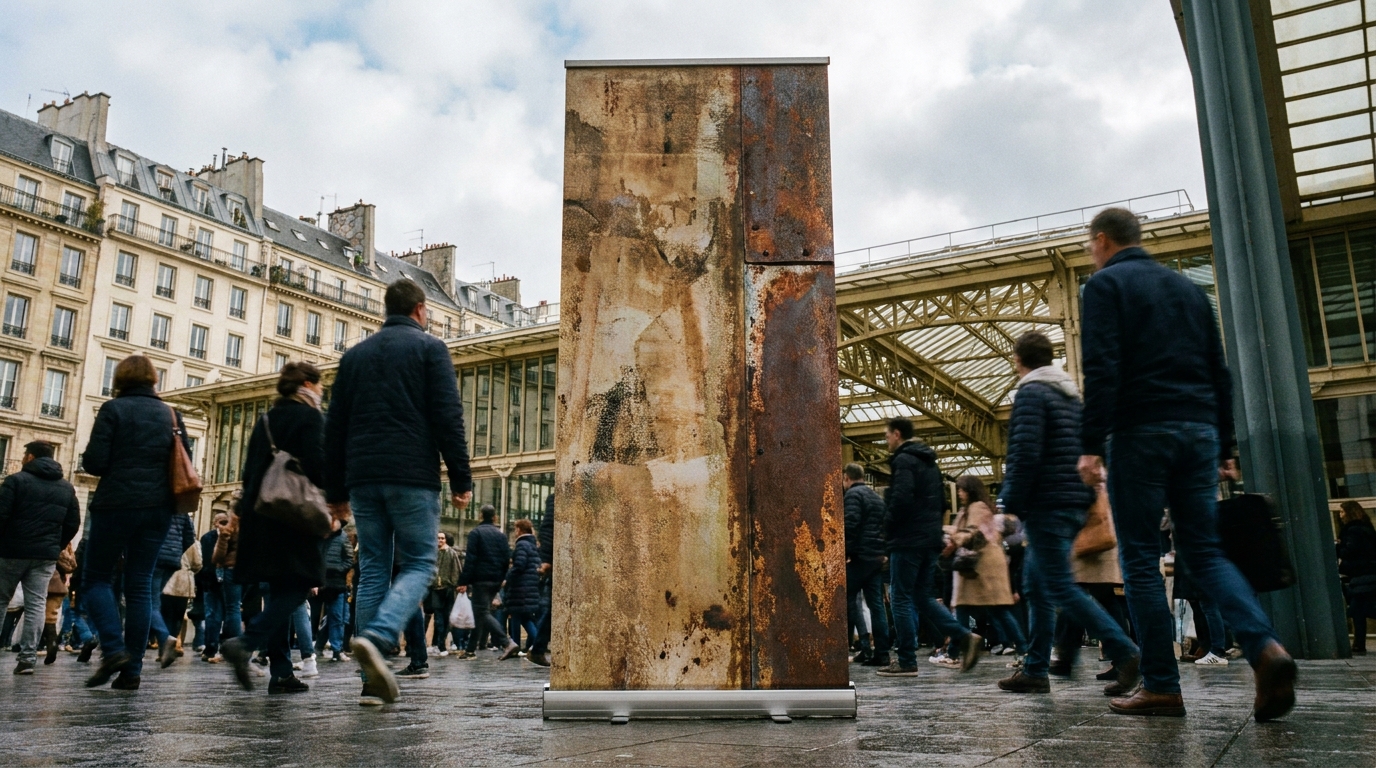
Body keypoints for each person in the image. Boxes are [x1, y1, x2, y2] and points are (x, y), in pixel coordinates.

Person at [1077, 208, 1294, 721]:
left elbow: (1103, 366)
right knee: (1206, 551)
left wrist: (1090, 444)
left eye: (1090, 245)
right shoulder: (1189, 291)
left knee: (1139, 560)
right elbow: (1220, 371)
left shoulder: (1105, 287)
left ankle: (1161, 685)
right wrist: (1225, 444)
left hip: (1142, 431)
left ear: (1103, 240)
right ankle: (1265, 647)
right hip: (1198, 431)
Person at [323, 279, 474, 706]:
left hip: (363, 477)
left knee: (373, 566)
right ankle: (380, 636)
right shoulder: (430, 349)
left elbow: (334, 428)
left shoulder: (354, 357)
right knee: (421, 563)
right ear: (421, 310)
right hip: (411, 475)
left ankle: (371, 681)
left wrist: (336, 490)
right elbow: (448, 416)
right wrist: (460, 478)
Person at [995, 331, 1141, 697]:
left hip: (1048, 502)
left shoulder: (1031, 391)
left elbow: (1025, 452)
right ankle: (1034, 669)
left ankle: (1125, 651)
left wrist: (1008, 502)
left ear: (1019, 360)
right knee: (1036, 586)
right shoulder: (1070, 397)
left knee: (1058, 585)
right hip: (1073, 500)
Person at [81, 356, 192, 691]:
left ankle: (113, 650)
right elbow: (182, 458)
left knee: (97, 579)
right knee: (140, 585)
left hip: (116, 504)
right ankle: (133, 672)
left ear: (120, 378)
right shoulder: (172, 414)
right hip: (159, 509)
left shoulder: (113, 410)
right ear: (153, 379)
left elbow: (95, 463)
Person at [221, 362, 328, 695]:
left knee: (278, 593)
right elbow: (318, 467)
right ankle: (246, 642)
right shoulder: (310, 417)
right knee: (298, 587)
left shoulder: (265, 419)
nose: (321, 391)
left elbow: (250, 471)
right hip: (294, 517)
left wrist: (240, 513)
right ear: (308, 385)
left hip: (261, 515)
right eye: (319, 385)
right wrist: (336, 502)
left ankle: (281, 673)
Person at [878, 417, 981, 677]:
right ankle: (964, 635)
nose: (886, 440)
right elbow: (942, 504)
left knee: (900, 597)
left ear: (897, 434)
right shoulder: (931, 464)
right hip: (929, 540)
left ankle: (905, 660)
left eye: (887, 435)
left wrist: (886, 529)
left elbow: (901, 498)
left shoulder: (903, 460)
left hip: (908, 539)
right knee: (922, 596)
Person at [0, 441, 81, 675]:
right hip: (45, 555)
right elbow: (73, 523)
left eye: (25, 454)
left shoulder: (15, 481)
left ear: (31, 457)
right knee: (36, 604)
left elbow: (2, 515)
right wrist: (54, 544)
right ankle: (27, 658)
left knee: (2, 600)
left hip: (12, 551)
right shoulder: (66, 488)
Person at [948, 476, 1025, 661]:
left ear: (970, 490)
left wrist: (955, 538)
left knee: (979, 609)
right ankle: (1023, 649)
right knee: (985, 610)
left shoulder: (977, 507)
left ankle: (954, 653)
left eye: (962, 489)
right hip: (978, 566)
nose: (959, 493)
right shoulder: (975, 508)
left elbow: (974, 531)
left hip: (981, 567)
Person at [843, 463, 890, 667]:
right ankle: (882, 654)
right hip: (876, 560)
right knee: (876, 607)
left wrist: (846, 553)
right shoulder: (877, 498)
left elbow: (850, 525)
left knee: (847, 601)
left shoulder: (853, 496)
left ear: (846, 478)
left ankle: (859, 646)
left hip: (859, 558)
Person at [458, 505, 518, 660]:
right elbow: (506, 559)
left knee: (481, 612)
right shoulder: (501, 536)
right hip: (495, 580)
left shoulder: (475, 533)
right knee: (481, 613)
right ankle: (470, 650)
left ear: (480, 516)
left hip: (480, 579)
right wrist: (501, 578)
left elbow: (470, 560)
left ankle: (506, 642)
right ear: (494, 517)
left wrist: (463, 581)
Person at [150, 511, 195, 665]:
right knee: (167, 610)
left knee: (150, 602)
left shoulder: (153, 498)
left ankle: (163, 639)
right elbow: (190, 537)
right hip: (173, 562)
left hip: (152, 555)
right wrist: (175, 551)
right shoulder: (181, 508)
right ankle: (170, 641)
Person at [1337, 501, 1376, 655]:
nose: (1340, 515)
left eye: (1342, 512)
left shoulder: (1352, 531)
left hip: (1362, 576)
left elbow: (1348, 551)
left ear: (1350, 513)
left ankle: (1359, 645)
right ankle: (1359, 645)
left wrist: (1338, 546)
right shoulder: (1367, 528)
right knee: (1358, 609)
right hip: (1367, 575)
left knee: (1358, 609)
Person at [505, 519, 541, 652]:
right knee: (525, 618)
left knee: (516, 616)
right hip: (530, 587)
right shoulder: (533, 545)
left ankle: (516, 646)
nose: (515, 532)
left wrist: (508, 577)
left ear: (519, 530)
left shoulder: (522, 545)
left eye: (515, 529)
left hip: (520, 588)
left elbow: (519, 565)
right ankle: (537, 645)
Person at [320, 524, 354, 661]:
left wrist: (339, 569)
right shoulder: (321, 535)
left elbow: (349, 559)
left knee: (337, 617)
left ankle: (336, 649)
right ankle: (319, 647)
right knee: (327, 617)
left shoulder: (342, 537)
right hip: (320, 582)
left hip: (337, 583)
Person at [527, 494, 554, 667]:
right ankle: (537, 648)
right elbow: (549, 527)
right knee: (552, 608)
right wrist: (546, 559)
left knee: (552, 608)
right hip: (563, 558)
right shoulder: (559, 494)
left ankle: (538, 648)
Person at [428, 531, 461, 654]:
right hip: (436, 588)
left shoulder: (451, 553)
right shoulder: (433, 554)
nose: (440, 540)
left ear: (445, 540)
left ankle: (441, 643)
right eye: (438, 538)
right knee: (438, 617)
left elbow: (456, 570)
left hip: (448, 589)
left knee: (446, 617)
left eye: (442, 538)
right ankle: (439, 644)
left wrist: (455, 584)